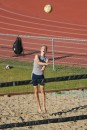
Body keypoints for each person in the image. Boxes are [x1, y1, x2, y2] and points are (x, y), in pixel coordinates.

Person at [32, 45, 49, 113]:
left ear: (46, 51)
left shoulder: (46, 59)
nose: (43, 49)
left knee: (42, 91)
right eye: (42, 48)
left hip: (41, 76)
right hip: (34, 75)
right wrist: (45, 64)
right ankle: (39, 107)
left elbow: (43, 68)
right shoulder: (37, 56)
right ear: (40, 50)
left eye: (45, 48)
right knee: (36, 91)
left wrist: (44, 66)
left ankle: (44, 106)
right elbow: (38, 62)